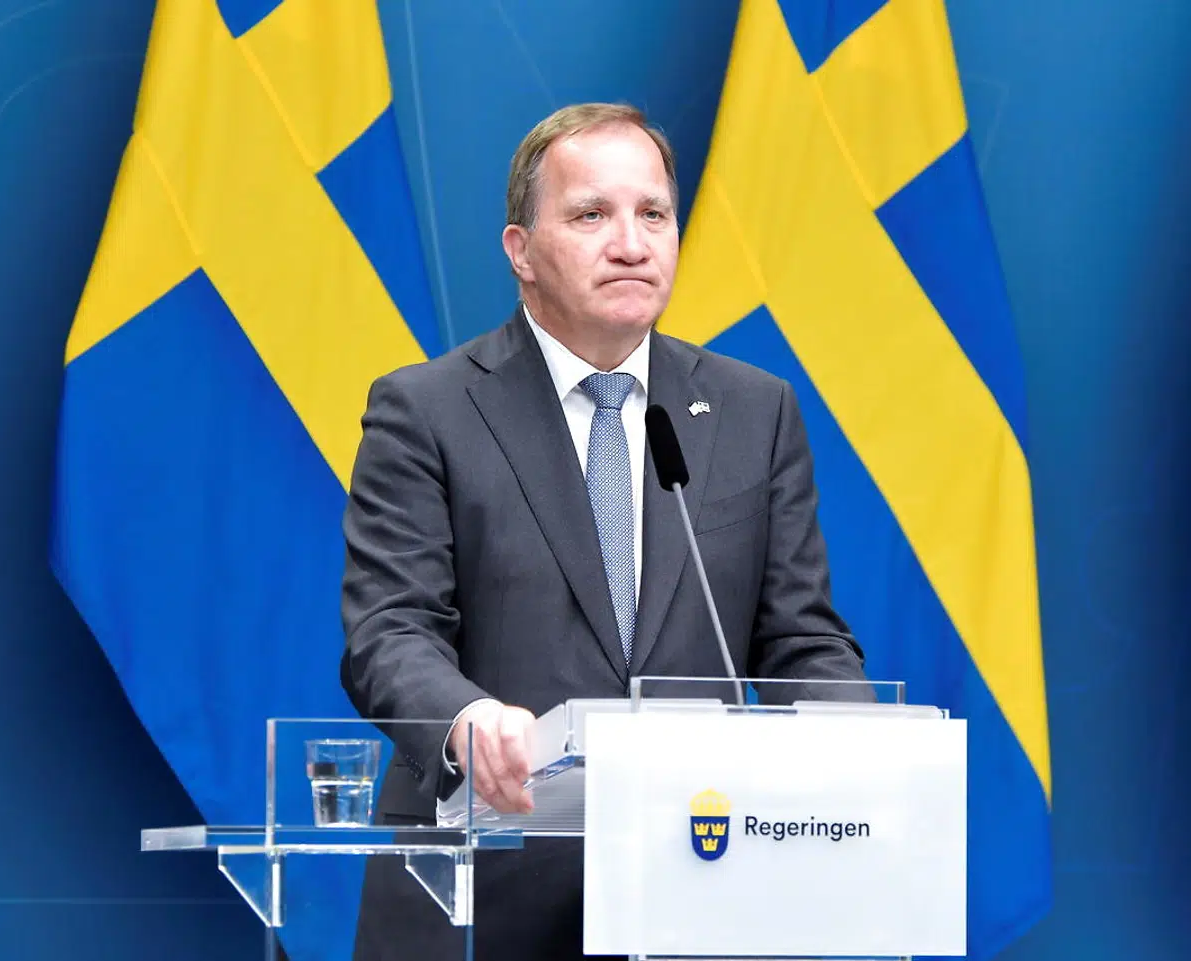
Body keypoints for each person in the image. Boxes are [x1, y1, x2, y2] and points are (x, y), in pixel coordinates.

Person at [339, 102, 868, 961]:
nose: (630, 243)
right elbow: (389, 632)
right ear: (521, 252)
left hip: (694, 892)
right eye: (591, 215)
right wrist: (467, 720)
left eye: (653, 213)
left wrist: (867, 749)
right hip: (483, 888)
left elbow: (800, 638)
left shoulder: (753, 410)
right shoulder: (426, 411)